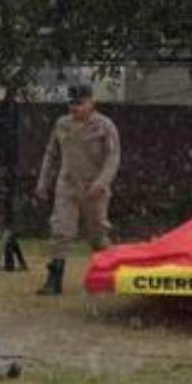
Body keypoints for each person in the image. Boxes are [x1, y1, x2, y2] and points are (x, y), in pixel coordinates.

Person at [34, 83, 120, 295]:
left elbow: (113, 158)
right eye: (72, 104)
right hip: (68, 185)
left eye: (80, 103)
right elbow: (51, 154)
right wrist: (43, 182)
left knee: (97, 235)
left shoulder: (105, 126)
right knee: (61, 230)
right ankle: (54, 279)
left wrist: (101, 183)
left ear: (91, 102)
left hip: (94, 187)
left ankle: (107, 275)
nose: (75, 108)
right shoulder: (62, 124)